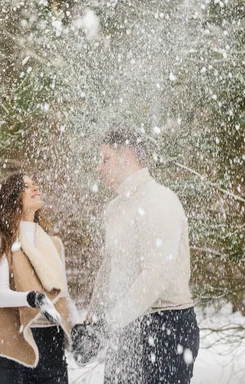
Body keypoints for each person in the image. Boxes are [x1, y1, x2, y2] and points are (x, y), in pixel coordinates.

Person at [77, 128, 200, 383]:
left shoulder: (160, 200)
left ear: (127, 157)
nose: (99, 168)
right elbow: (108, 269)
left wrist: (108, 324)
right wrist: (92, 322)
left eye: (105, 159)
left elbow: (156, 275)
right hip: (125, 324)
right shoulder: (114, 209)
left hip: (167, 324)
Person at [0, 172, 80, 384]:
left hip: (54, 354)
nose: (35, 188)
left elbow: (64, 298)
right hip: (17, 352)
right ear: (11, 196)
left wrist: (79, 328)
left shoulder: (53, 245)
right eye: (26, 186)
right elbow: (1, 295)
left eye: (35, 183)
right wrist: (32, 299)